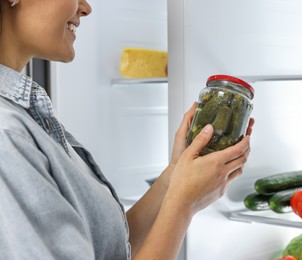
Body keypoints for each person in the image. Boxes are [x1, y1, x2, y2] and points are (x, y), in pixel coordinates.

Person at [0, 0, 254, 259]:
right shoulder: (7, 134)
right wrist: (183, 203)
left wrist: (174, 176)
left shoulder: (26, 112)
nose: (86, 7)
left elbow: (106, 248)